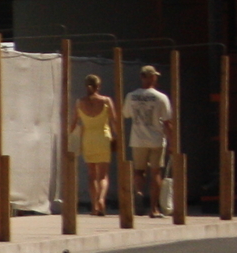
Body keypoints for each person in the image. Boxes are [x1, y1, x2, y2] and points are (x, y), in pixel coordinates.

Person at [124, 63, 175, 216]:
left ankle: (139, 192)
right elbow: (167, 122)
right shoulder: (161, 98)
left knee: (139, 171)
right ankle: (154, 208)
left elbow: (126, 114)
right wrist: (172, 143)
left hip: (138, 139)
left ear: (141, 77)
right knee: (156, 172)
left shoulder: (131, 96)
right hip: (156, 139)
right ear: (153, 77)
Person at [73, 73, 118, 216]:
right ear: (98, 86)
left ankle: (94, 206)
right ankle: (101, 199)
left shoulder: (80, 102)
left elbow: (73, 123)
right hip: (103, 138)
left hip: (88, 139)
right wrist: (117, 137)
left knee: (91, 175)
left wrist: (70, 138)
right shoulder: (106, 101)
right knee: (103, 176)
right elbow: (114, 122)